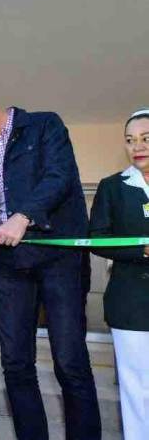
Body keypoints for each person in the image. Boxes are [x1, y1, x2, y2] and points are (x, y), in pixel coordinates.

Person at [0, 87, 100, 440]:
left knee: (69, 362)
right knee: (16, 364)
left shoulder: (45, 126)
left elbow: (59, 177)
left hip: (57, 261)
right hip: (8, 267)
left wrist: (24, 216)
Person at [89, 108, 149, 440]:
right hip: (132, 303)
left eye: (145, 139)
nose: (137, 146)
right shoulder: (113, 187)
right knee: (136, 387)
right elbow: (97, 238)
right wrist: (141, 250)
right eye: (130, 140)